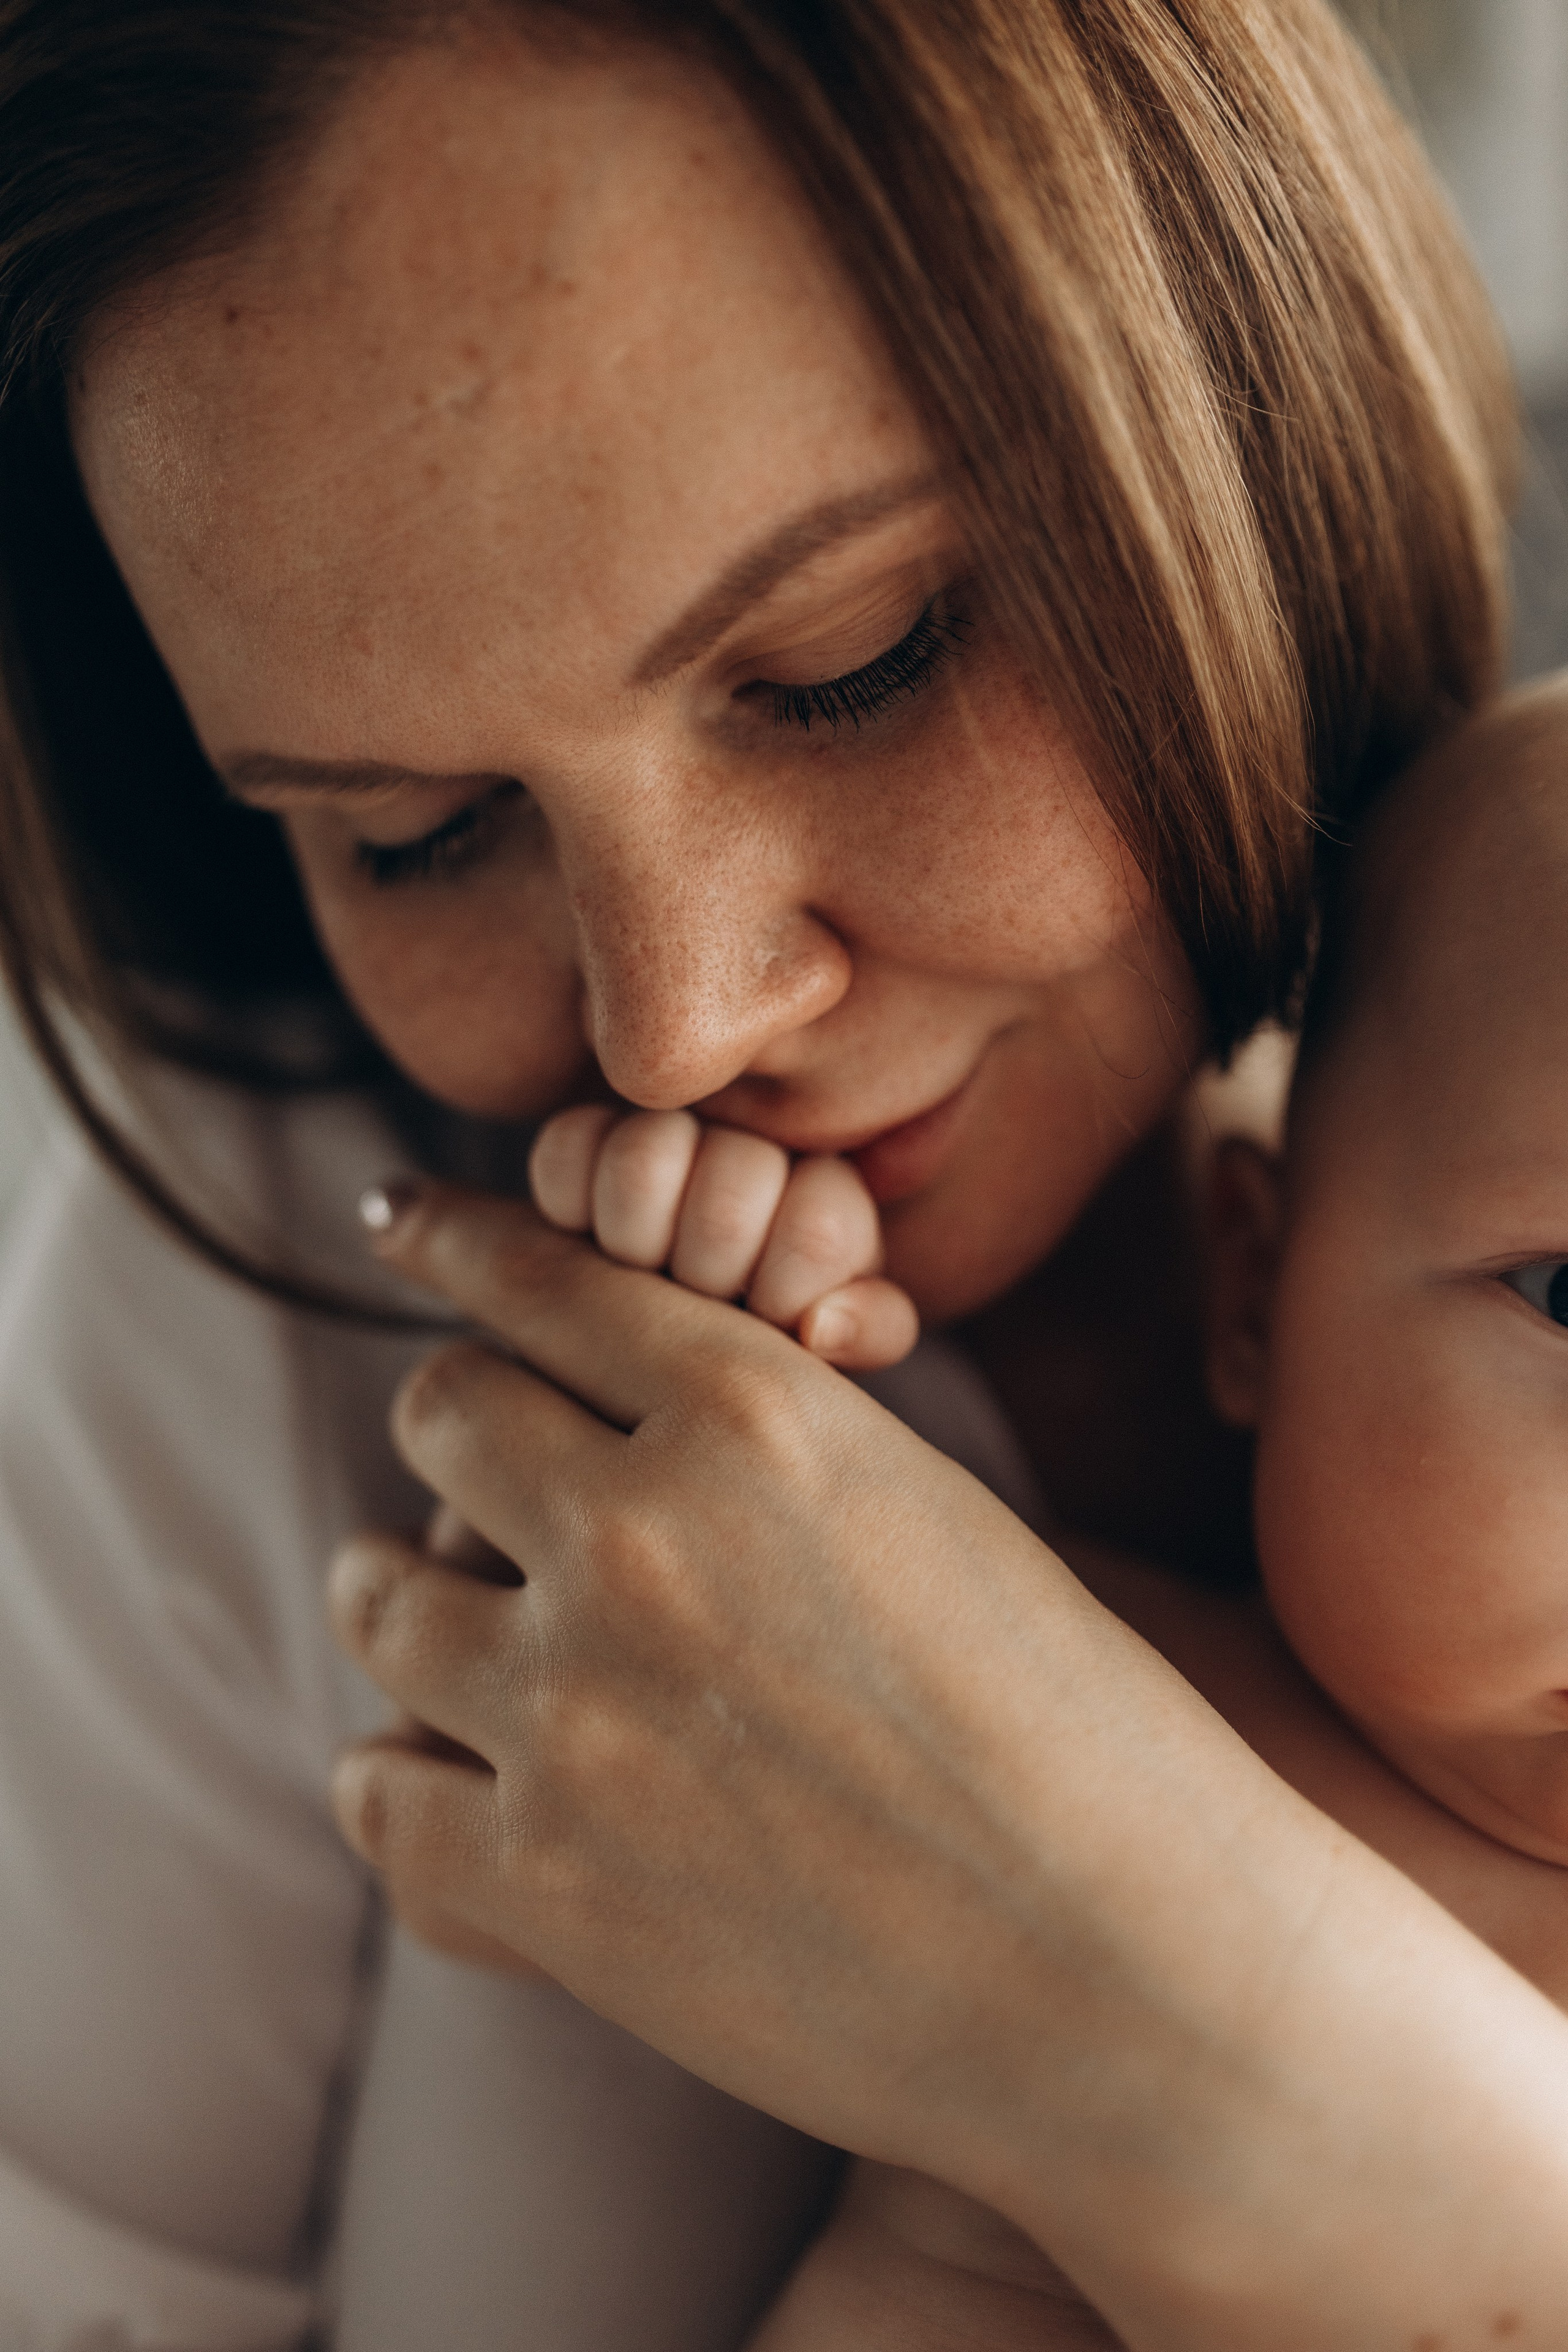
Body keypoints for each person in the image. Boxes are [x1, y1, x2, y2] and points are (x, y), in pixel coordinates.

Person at [0, 0, 1560, 2343]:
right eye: (418, 830)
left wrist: (1221, 2052)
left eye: (854, 658)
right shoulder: (262, 1293)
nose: (677, 1026)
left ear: (1227, 390)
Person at [527, 676, 1568, 2350]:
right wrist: (697, 1323)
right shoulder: (1037, 1660)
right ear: (1257, 1289)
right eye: (1566, 1293)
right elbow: (551, 1756)